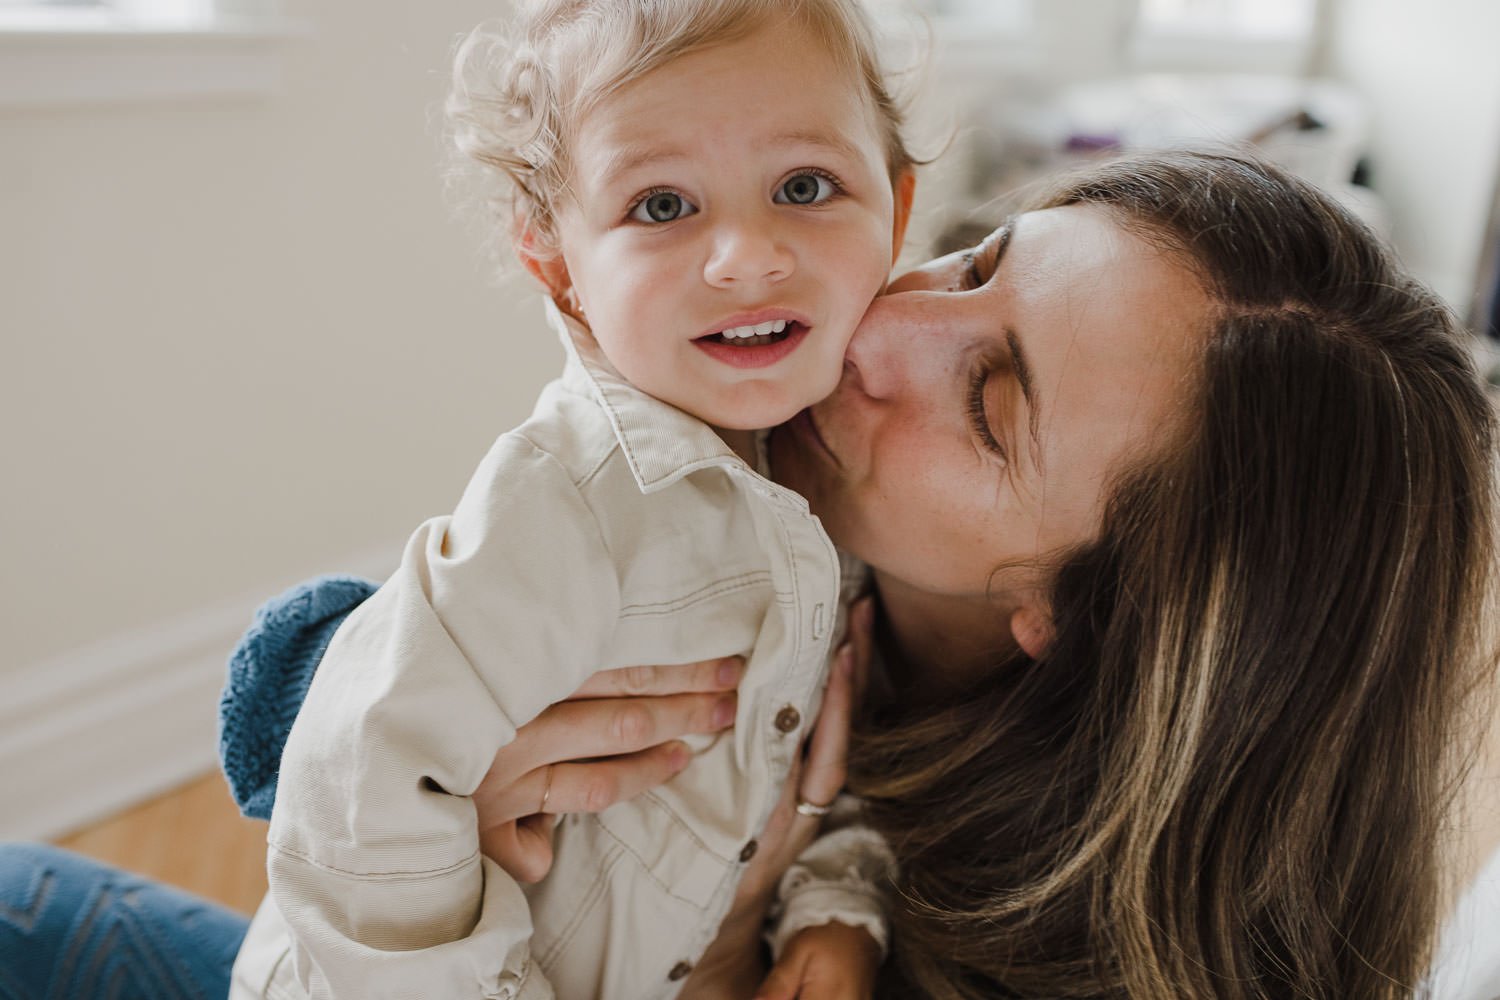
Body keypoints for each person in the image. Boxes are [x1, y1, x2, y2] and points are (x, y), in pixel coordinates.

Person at [2, 149, 1495, 1000]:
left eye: (990, 405)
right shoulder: (754, 532)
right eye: (977, 262)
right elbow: (316, 711)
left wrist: (722, 955)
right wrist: (423, 771)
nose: (880, 325)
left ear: (1087, 620)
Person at [235, 1, 920, 998]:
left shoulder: (834, 482)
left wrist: (835, 904)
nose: (747, 256)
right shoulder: (564, 503)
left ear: (895, 216)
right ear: (559, 269)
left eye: (804, 186)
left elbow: (815, 753)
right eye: (661, 206)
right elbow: (355, 783)